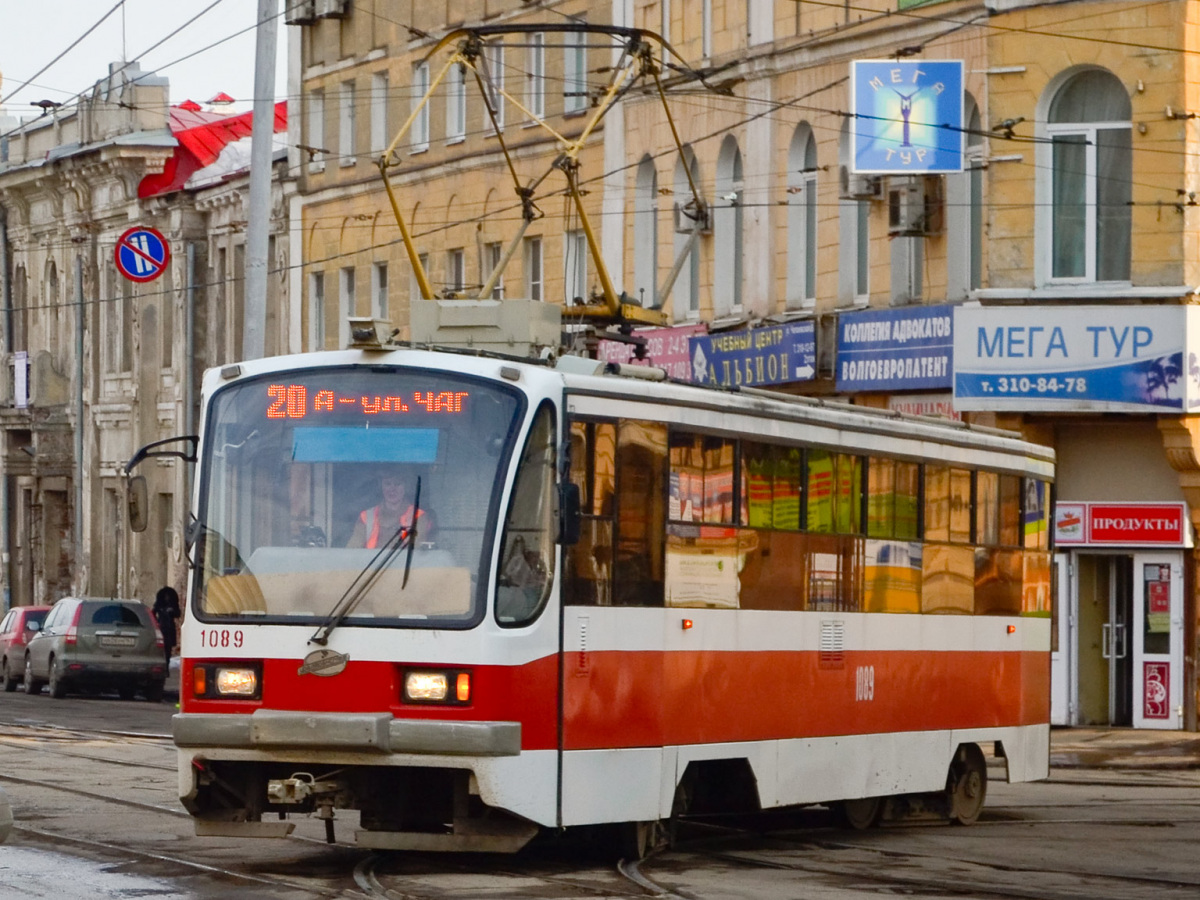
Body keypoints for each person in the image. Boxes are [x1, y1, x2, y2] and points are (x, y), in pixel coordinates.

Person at [346, 470, 435, 549]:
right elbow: (352, 550)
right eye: (387, 484)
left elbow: (416, 551)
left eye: (397, 484)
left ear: (406, 487)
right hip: (370, 567)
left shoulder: (418, 516)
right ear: (381, 487)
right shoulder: (366, 516)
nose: (392, 489)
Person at [152, 586, 181, 665]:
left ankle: (167, 664)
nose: (167, 598)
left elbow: (178, 614)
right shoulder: (159, 605)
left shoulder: (173, 606)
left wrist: (172, 611)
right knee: (161, 647)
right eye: (166, 596)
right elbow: (153, 613)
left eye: (168, 596)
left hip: (169, 627)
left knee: (168, 649)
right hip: (161, 627)